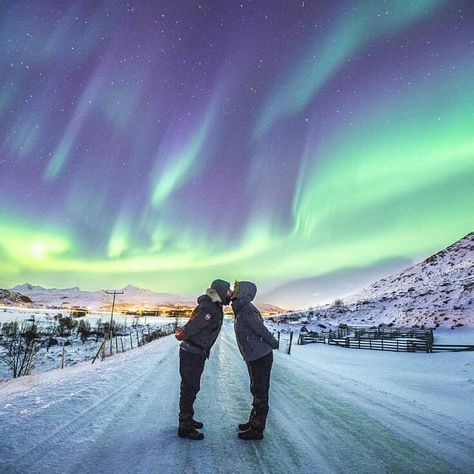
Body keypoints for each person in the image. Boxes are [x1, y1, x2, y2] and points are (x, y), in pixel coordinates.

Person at [175, 279, 231, 440]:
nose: (229, 293)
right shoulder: (209, 308)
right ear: (220, 291)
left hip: (196, 352)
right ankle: (184, 427)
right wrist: (182, 334)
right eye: (227, 290)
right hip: (192, 352)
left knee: (192, 387)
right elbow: (195, 325)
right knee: (189, 388)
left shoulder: (214, 306)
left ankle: (188, 419)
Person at [231, 281, 279, 440]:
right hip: (253, 355)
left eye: (236, 288)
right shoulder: (241, 308)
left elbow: (260, 329)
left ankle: (257, 429)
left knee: (260, 391)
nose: (233, 290)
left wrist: (272, 341)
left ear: (244, 292)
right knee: (256, 389)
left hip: (260, 355)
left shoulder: (246, 309)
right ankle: (253, 421)